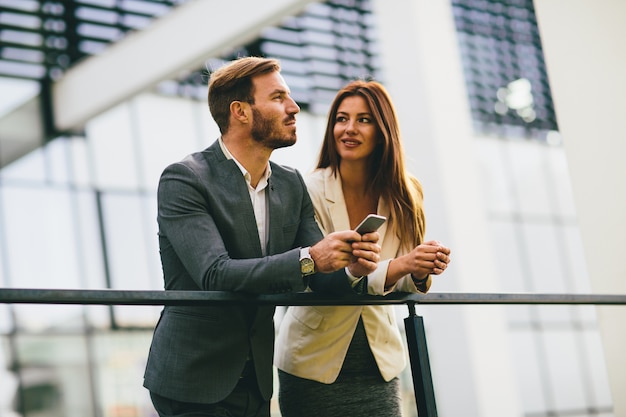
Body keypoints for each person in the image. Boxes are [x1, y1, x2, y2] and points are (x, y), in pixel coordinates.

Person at [142, 57, 381, 417]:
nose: (293, 107)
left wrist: (351, 267)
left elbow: (318, 277)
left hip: (256, 382)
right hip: (193, 379)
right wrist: (311, 258)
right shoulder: (185, 179)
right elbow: (215, 273)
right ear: (240, 111)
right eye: (279, 97)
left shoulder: (290, 184)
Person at [274, 80, 452, 417]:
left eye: (364, 120)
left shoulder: (406, 194)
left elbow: (396, 282)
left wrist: (418, 269)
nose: (349, 129)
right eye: (342, 119)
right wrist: (399, 265)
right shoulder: (305, 189)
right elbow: (314, 276)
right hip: (312, 361)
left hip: (378, 363)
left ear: (384, 130)